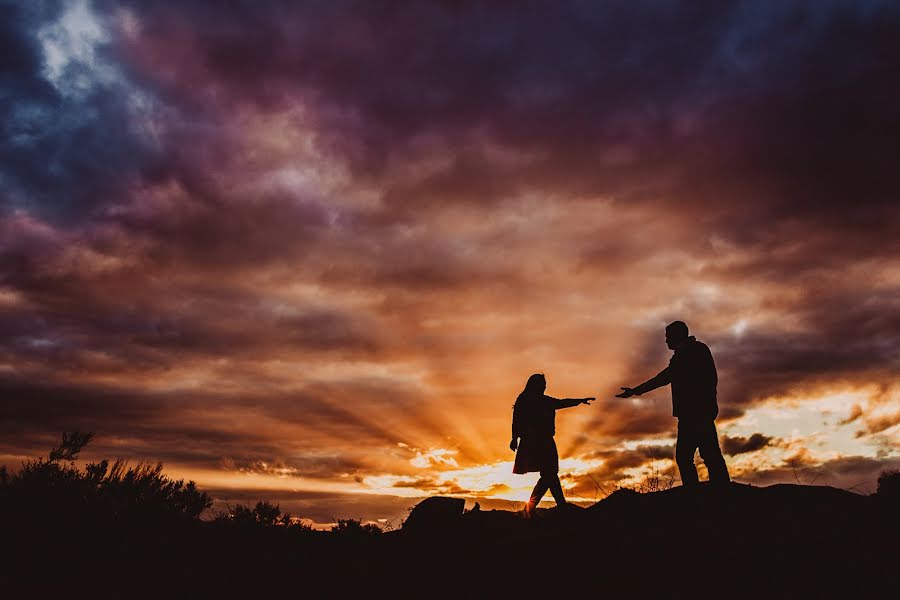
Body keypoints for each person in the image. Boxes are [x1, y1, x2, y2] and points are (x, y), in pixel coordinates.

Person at [617, 320, 730, 486]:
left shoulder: (687, 354)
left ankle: (702, 494)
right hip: (700, 412)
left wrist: (636, 390)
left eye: (668, 336)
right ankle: (721, 490)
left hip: (693, 414)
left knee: (687, 457)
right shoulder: (696, 350)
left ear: (677, 336)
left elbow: (663, 378)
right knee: (708, 454)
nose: (666, 340)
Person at [510, 373, 594, 515]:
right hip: (538, 442)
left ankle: (535, 507)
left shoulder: (532, 400)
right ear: (535, 385)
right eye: (542, 384)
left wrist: (579, 400)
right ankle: (557, 506)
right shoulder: (532, 401)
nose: (544, 387)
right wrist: (514, 438)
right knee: (549, 473)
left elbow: (561, 403)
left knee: (549, 474)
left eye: (544, 385)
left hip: (541, 441)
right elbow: (517, 420)